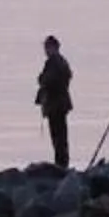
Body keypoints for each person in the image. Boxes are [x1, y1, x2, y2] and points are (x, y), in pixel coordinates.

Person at [34, 35, 74, 169]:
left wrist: (42, 81)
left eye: (47, 47)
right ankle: (62, 164)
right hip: (59, 105)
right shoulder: (60, 62)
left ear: (54, 47)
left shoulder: (55, 62)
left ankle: (61, 165)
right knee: (60, 137)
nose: (45, 50)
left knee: (58, 137)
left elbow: (48, 80)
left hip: (56, 106)